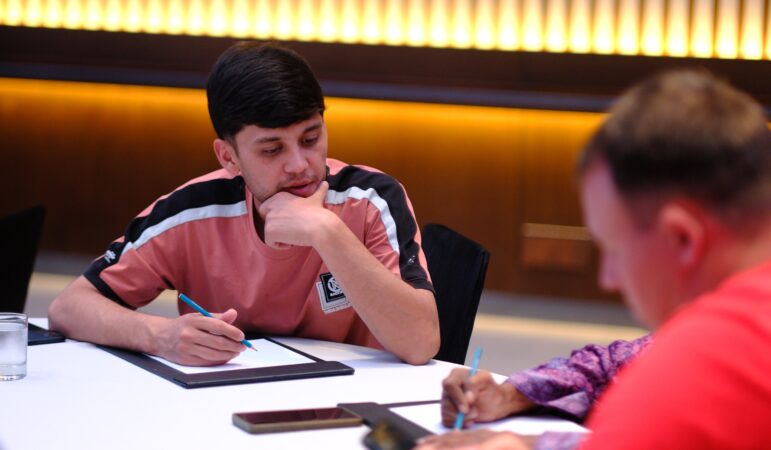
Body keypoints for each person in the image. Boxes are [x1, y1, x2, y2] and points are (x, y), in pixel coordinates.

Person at [418, 69, 771, 449]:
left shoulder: (705, 364)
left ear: (683, 239)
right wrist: (512, 395)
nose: (609, 278)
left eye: (615, 250)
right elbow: (613, 367)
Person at [48, 42, 439, 366]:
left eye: (310, 138)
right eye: (272, 149)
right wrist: (160, 335)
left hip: (347, 407)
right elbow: (70, 307)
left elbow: (421, 342)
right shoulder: (192, 211)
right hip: (218, 409)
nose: (300, 166)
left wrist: (327, 232)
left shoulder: (370, 200)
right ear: (228, 157)